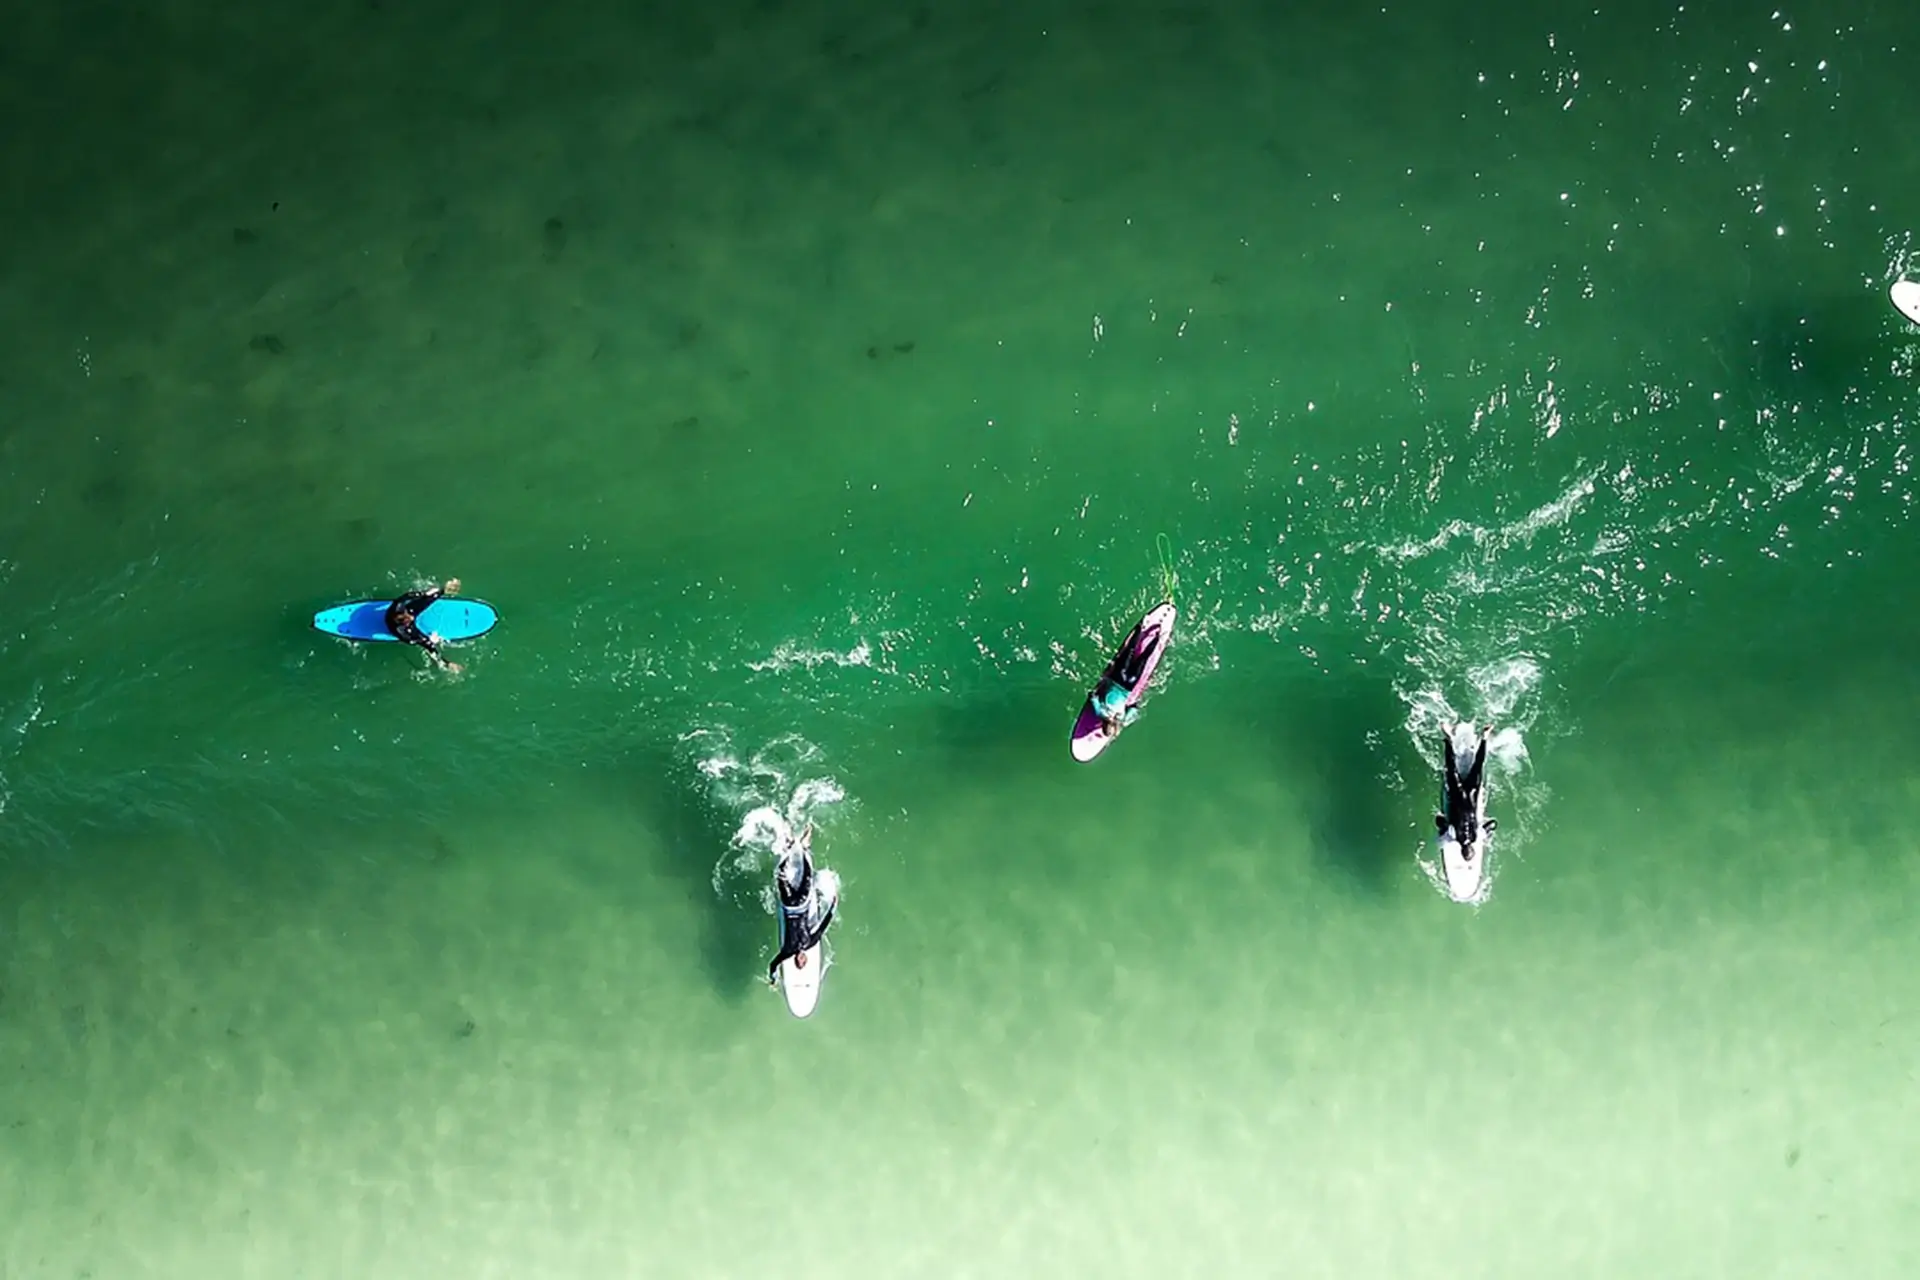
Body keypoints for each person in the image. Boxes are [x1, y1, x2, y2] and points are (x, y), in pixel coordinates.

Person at [766, 824, 838, 986]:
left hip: (794, 904)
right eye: (802, 961)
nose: (801, 958)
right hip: (798, 903)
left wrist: (773, 978)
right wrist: (832, 908)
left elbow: (773, 964)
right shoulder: (800, 946)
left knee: (786, 875)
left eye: (799, 961)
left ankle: (792, 846)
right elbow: (822, 927)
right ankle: (799, 846)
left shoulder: (795, 948)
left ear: (797, 959)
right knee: (798, 875)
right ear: (804, 959)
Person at [1435, 723, 1497, 860]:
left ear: (1472, 848)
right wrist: (1440, 825)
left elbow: (1492, 824)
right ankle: (1448, 738)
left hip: (1471, 793)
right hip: (1457, 794)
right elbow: (1440, 823)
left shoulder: (1477, 836)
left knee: (1478, 765)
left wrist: (1489, 829)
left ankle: (1485, 737)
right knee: (1451, 768)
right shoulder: (1453, 836)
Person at [386, 577, 464, 673]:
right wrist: (431, 639)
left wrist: (423, 594)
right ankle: (447, 664)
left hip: (403, 613)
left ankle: (444, 589)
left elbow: (407, 596)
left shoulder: (399, 606)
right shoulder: (402, 631)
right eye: (408, 620)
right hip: (396, 627)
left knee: (426, 599)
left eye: (409, 617)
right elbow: (413, 641)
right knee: (428, 643)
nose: (412, 618)